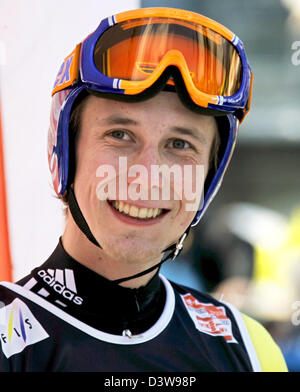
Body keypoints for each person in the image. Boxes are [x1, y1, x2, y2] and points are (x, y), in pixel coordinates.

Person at [0, 7, 287, 372]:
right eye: (120, 135)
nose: (148, 175)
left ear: (207, 178)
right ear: (66, 152)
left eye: (180, 145)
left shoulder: (250, 349)